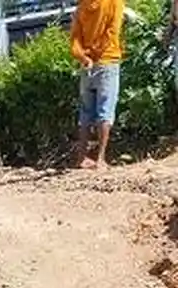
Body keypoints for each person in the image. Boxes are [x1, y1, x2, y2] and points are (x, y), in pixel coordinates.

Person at [71, 0, 125, 170]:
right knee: (105, 110)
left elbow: (74, 40)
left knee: (85, 112)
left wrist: (85, 58)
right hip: (107, 60)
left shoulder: (81, 6)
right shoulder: (115, 2)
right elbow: (112, 31)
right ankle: (100, 159)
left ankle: (81, 158)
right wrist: (96, 53)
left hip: (86, 64)